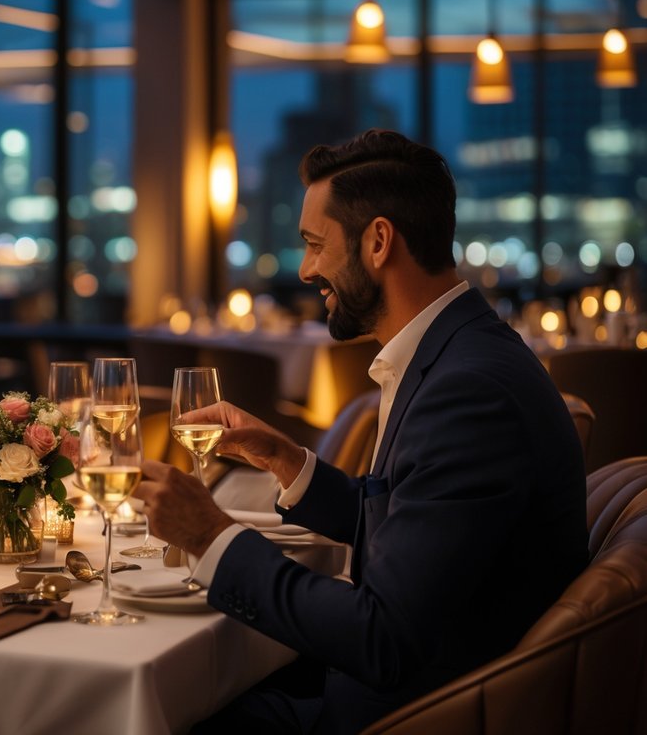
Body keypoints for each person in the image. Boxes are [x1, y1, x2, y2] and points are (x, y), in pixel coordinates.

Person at [135, 130, 588, 734]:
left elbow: (382, 636)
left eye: (316, 245)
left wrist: (211, 534)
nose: (305, 270)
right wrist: (288, 461)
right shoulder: (458, 352)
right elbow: (422, 527)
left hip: (406, 716)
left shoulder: (468, 390)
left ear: (378, 242)